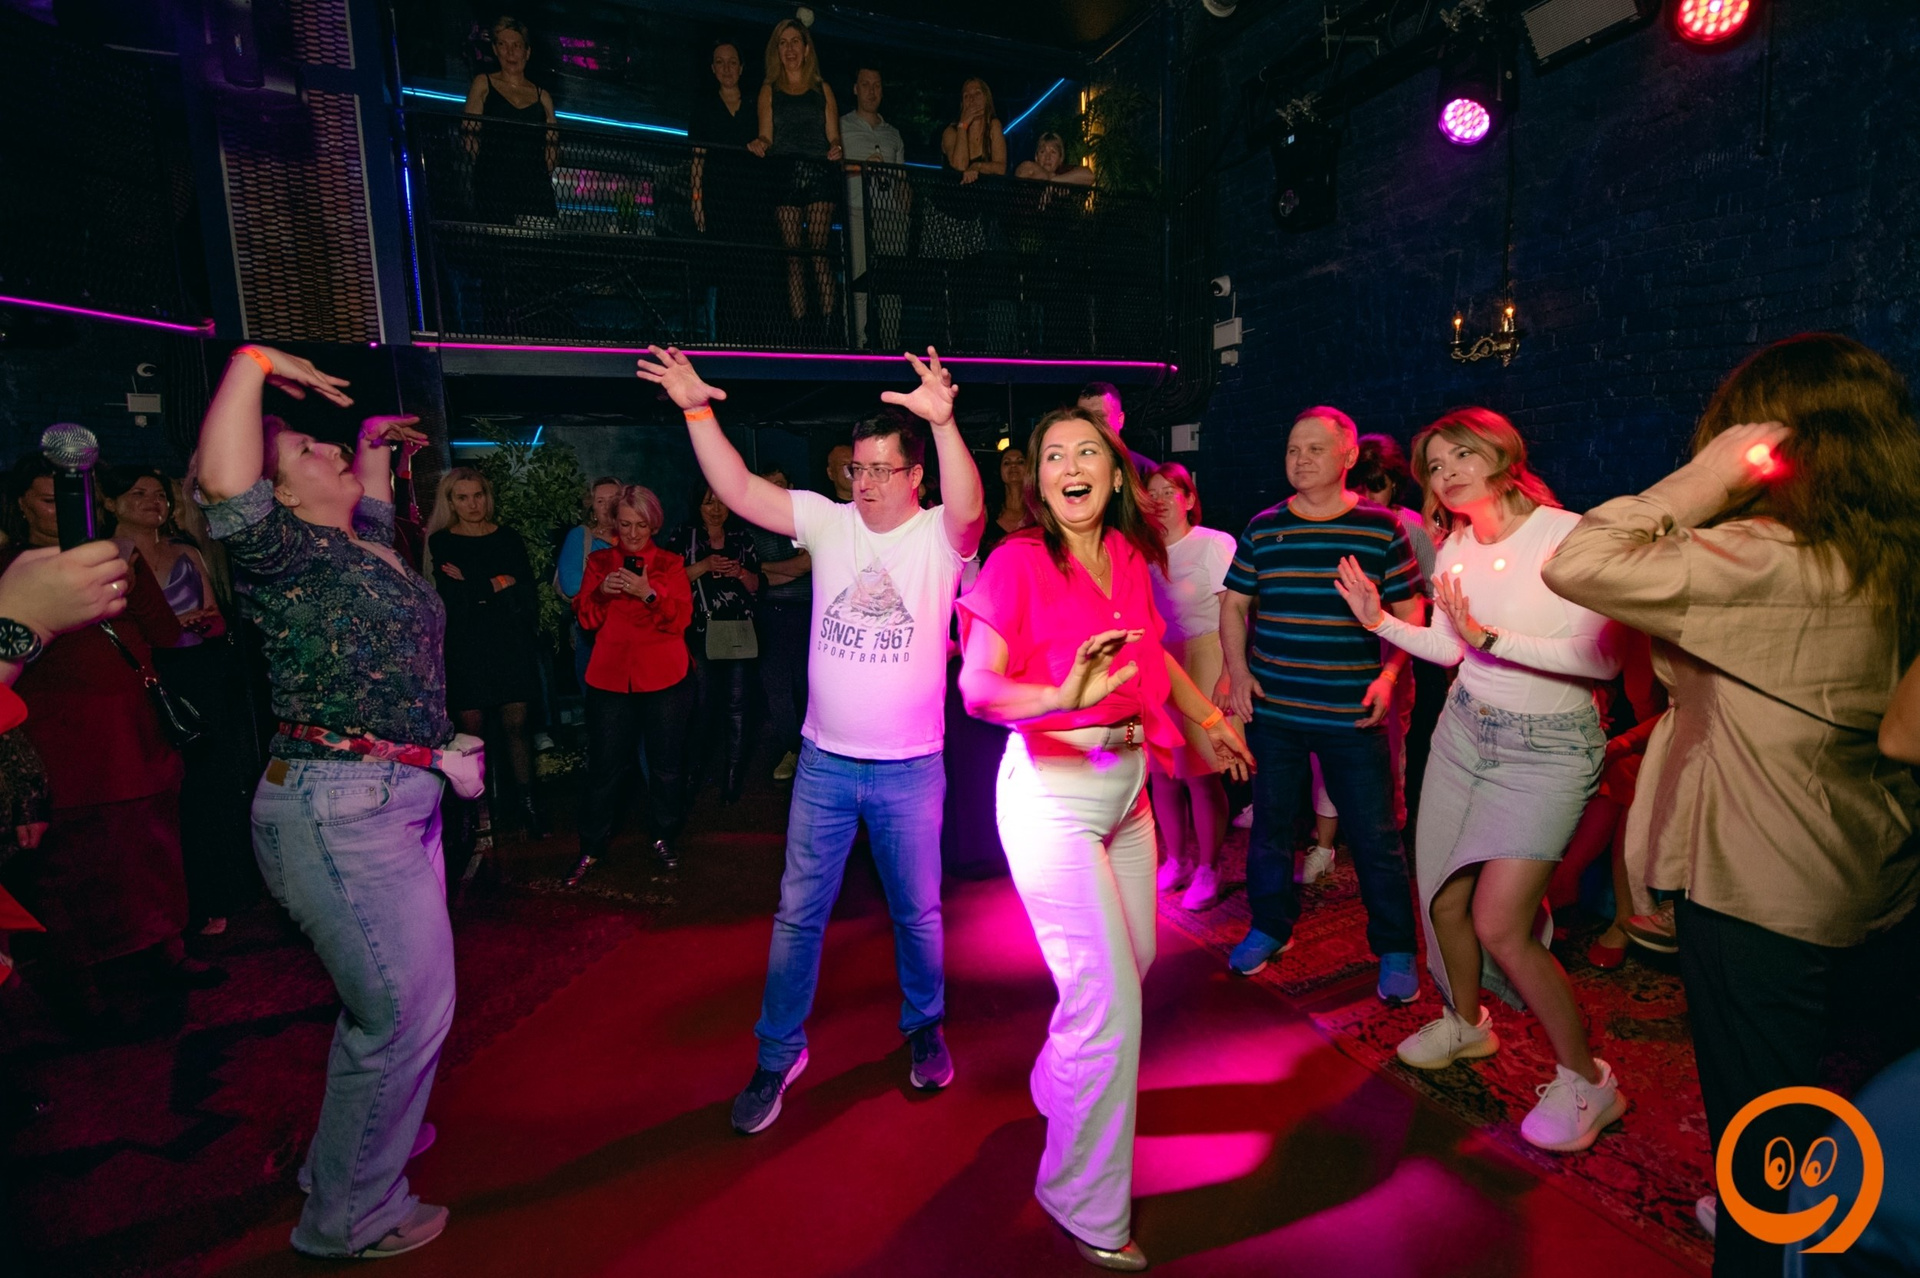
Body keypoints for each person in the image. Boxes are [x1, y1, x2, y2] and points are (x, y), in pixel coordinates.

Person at [1541, 333, 1920, 1276]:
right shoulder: (1897, 550)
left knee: (1761, 1128)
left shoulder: (1762, 556)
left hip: (1758, 872)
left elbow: (1583, 560)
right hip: (1874, 854)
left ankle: (1766, 1246)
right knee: (1854, 1088)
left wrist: (1708, 478)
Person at [635, 345, 983, 1135]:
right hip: (824, 764)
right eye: (858, 468)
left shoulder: (938, 535)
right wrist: (696, 409)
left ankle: (925, 1026)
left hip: (909, 769)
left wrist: (944, 422)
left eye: (882, 470)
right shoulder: (828, 522)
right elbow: (737, 489)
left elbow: (970, 508)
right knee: (797, 914)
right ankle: (777, 1053)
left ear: (915, 476)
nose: (865, 483)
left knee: (918, 914)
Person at [958, 407, 1252, 1271]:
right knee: (1110, 1002)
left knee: (1137, 960)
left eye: (1087, 451)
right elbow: (978, 688)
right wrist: (1059, 696)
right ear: (1041, 481)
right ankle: (1083, 1199)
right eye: (1054, 455)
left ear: (1115, 475)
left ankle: (1059, 1080)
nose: (1070, 465)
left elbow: (1154, 656)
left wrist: (1210, 721)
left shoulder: (1126, 553)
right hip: (1052, 792)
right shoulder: (1017, 563)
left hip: (1128, 787)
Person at [195, 344, 453, 1260]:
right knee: (403, 1013)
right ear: (276, 497)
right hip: (338, 806)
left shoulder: (359, 546)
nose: (329, 449)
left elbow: (373, 491)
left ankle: (350, 1156)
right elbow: (222, 481)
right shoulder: (285, 554)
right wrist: (252, 363)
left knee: (386, 1006)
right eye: (306, 450)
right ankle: (348, 1218)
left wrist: (375, 442)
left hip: (391, 796)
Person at [1332, 408, 1627, 1154]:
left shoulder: (1567, 535)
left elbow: (1602, 660)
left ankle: (1588, 1079)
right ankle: (1467, 1024)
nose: (1447, 473)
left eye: (1461, 455)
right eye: (1434, 466)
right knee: (1440, 897)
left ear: (1501, 453)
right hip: (1465, 730)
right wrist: (1378, 621)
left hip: (1548, 747)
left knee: (1501, 923)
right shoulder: (1456, 545)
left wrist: (1493, 637)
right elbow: (1450, 648)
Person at [2, 456, 216, 1036]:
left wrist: (132, 571)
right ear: (22, 505)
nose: (66, 512)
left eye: (75, 500)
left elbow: (164, 632)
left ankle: (167, 952)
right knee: (70, 868)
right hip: (60, 738)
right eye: (50, 501)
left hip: (137, 726)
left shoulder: (116, 558)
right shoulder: (11, 572)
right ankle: (81, 987)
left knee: (154, 845)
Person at [1220, 407, 1424, 1000]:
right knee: (1271, 829)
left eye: (1314, 448)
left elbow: (1411, 614)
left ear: (1349, 456)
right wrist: (1238, 673)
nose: (1301, 459)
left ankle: (1395, 947)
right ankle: (1269, 926)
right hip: (1276, 713)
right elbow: (1234, 604)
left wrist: (1389, 677)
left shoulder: (1381, 527)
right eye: (1292, 449)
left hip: (1351, 714)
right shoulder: (1264, 527)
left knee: (1374, 836)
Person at [103, 467, 257, 936]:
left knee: (208, 785)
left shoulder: (186, 551)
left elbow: (217, 619)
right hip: (146, 675)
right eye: (138, 492)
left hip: (197, 672)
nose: (153, 501)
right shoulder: (106, 556)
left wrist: (202, 623)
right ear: (110, 503)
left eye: (160, 495)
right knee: (161, 789)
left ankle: (215, 893)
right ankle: (166, 906)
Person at [565, 485, 697, 885]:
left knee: (666, 765)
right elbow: (585, 620)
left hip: (665, 677)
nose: (634, 533)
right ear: (614, 524)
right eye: (625, 525)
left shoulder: (670, 564)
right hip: (610, 678)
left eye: (641, 525)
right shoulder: (599, 562)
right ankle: (591, 847)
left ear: (653, 524)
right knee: (604, 767)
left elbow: (680, 621)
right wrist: (601, 594)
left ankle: (663, 836)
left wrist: (648, 594)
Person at [426, 467, 546, 836]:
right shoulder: (443, 541)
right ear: (450, 502)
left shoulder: (507, 537)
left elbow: (525, 593)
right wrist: (497, 583)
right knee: (471, 734)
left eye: (477, 495)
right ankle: (474, 816)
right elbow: (455, 599)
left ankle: (529, 808)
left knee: (517, 726)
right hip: (466, 645)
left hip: (510, 642)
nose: (472, 504)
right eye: (462, 497)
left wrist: (476, 586)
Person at [1141, 463, 1238, 912]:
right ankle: (1176, 860)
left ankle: (1209, 868)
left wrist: (1229, 673)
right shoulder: (1141, 551)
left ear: (1190, 499)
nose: (1160, 499)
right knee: (1161, 771)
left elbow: (1234, 611)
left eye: (1170, 491)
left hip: (1205, 656)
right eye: (1153, 492)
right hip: (1159, 661)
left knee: (1201, 774)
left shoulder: (1213, 543)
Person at [670, 484, 762, 803]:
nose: (716, 509)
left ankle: (732, 776)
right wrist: (705, 566)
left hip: (738, 630)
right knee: (701, 703)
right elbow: (668, 581)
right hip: (699, 630)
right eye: (709, 502)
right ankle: (692, 773)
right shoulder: (684, 536)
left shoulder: (741, 537)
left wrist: (740, 572)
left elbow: (756, 585)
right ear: (697, 505)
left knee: (738, 705)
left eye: (722, 502)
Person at [750, 19, 843, 327]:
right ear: (777, 50)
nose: (789, 49)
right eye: (783, 43)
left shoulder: (822, 89)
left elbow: (834, 135)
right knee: (793, 255)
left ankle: (830, 328)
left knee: (818, 250)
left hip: (818, 171)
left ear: (805, 49)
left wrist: (836, 148)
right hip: (785, 171)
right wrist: (760, 143)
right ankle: (799, 330)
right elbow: (766, 134)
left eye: (794, 42)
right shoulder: (769, 90)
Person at [747, 466, 812, 783]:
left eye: (779, 484)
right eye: (768, 485)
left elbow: (806, 565)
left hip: (806, 613)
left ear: (791, 486)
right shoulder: (751, 528)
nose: (774, 490)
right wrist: (766, 573)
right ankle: (792, 749)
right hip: (769, 614)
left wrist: (764, 570)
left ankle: (811, 751)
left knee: (806, 684)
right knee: (776, 689)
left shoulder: (805, 524)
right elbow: (750, 576)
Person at [461, 15, 557, 226]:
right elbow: (469, 134)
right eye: (503, 45)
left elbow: (552, 148)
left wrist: (537, 175)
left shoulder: (543, 97)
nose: (510, 52)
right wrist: (489, 169)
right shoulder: (483, 84)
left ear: (527, 52)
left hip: (535, 191)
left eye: (517, 46)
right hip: (494, 189)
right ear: (495, 49)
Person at [841, 66, 909, 351]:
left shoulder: (893, 133)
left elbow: (902, 178)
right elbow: (833, 170)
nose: (871, 90)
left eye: (877, 85)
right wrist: (863, 167)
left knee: (891, 285)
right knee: (858, 280)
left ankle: (892, 347)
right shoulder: (842, 125)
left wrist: (905, 212)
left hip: (891, 215)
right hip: (856, 210)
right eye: (866, 84)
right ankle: (856, 346)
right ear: (855, 88)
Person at [689, 41, 760, 240]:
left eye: (732, 62)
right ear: (713, 68)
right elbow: (697, 160)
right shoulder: (703, 107)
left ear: (741, 68)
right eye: (720, 62)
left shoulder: (756, 104)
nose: (727, 69)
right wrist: (696, 200)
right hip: (717, 196)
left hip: (753, 196)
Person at [557, 475, 621, 690]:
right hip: (594, 634)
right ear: (592, 507)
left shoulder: (637, 536)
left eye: (613, 499)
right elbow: (572, 586)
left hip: (635, 635)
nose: (607, 506)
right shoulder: (581, 536)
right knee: (600, 702)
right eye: (600, 501)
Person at [1076, 382, 1153, 475]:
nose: (1092, 423)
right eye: (1084, 417)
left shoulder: (1146, 471)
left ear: (1120, 420)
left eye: (1099, 416)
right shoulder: (1070, 466)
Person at [976, 444, 1034, 564]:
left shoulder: (1040, 513)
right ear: (999, 471)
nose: (1013, 466)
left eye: (1020, 462)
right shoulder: (987, 511)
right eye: (1007, 463)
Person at [942, 77, 1006, 184]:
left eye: (977, 94)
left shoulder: (994, 126)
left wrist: (977, 166)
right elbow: (960, 166)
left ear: (986, 99)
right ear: (962, 104)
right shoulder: (950, 132)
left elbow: (1001, 168)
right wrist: (962, 126)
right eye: (966, 96)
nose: (972, 99)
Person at [1014, 131, 1094, 186]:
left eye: (1053, 152)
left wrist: (1054, 180)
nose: (1048, 157)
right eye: (1042, 152)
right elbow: (1022, 172)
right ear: (1036, 157)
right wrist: (1048, 176)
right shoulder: (1030, 169)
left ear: (1061, 158)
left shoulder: (1065, 171)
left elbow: (1089, 176)